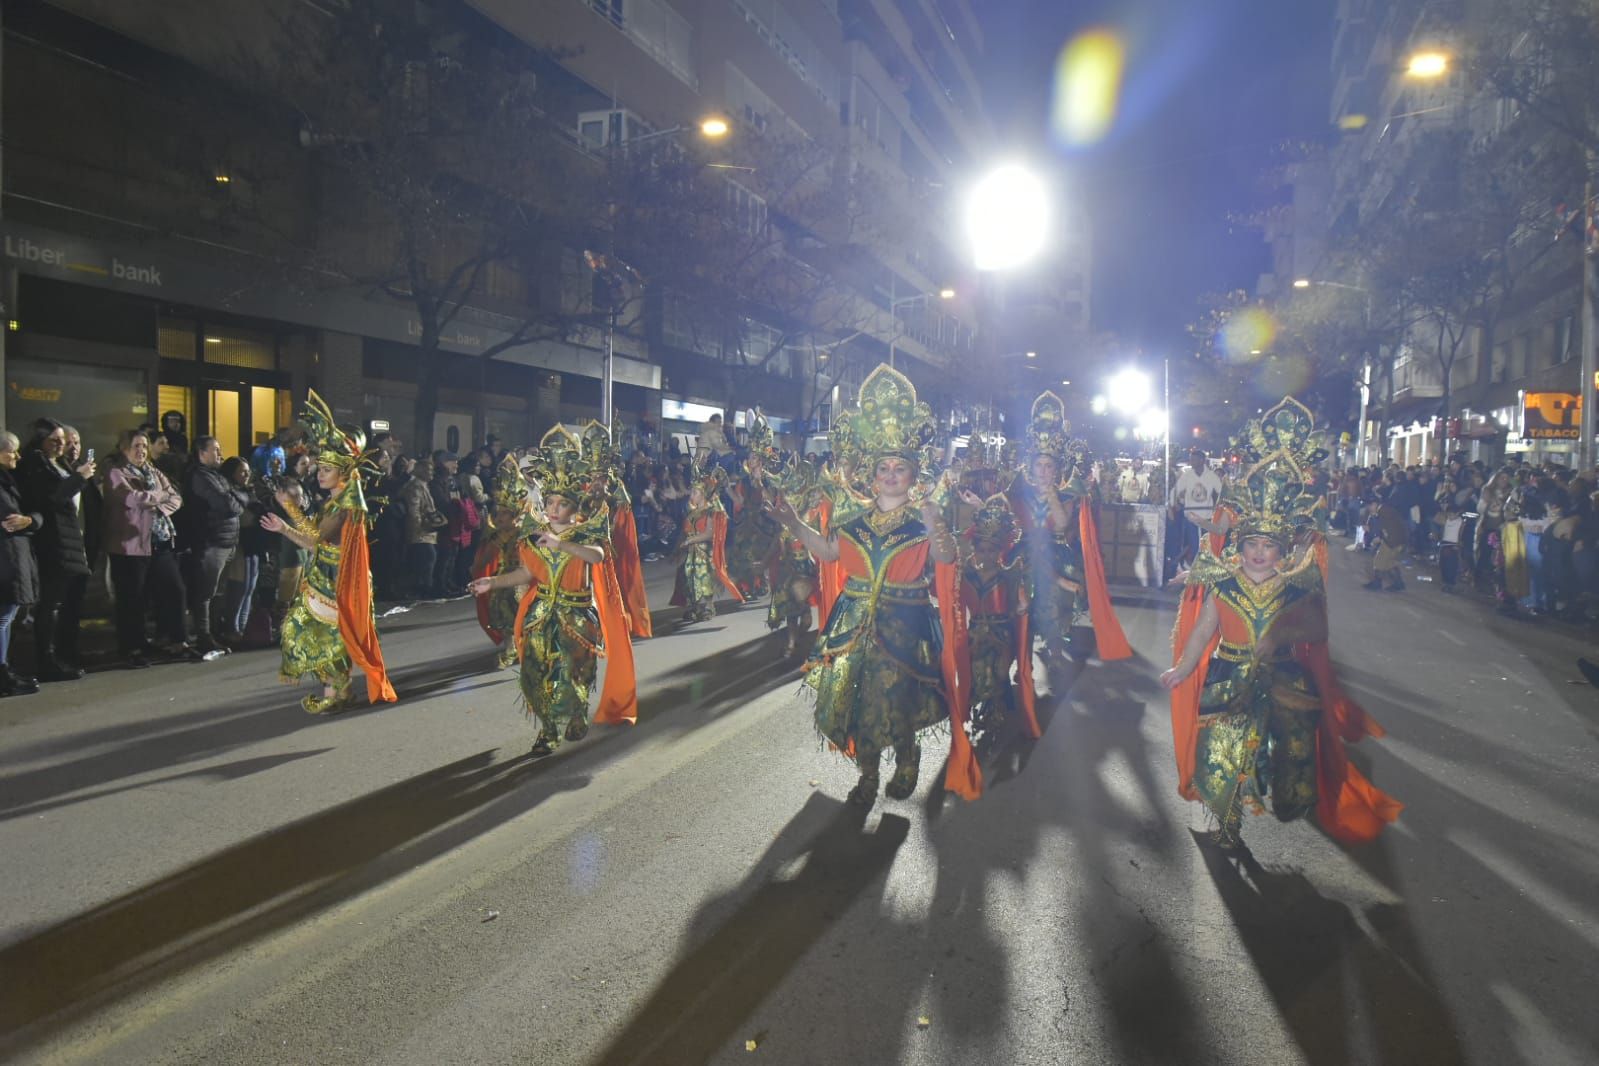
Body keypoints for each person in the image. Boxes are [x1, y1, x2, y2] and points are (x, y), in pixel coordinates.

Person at [1161, 397, 1401, 849]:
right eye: (1251, 544)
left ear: (1283, 551)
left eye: (1267, 547)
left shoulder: (1296, 585)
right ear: (1240, 545)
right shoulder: (1225, 583)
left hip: (1284, 679)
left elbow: (1317, 630)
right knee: (1223, 751)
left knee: (1284, 741)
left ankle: (1273, 786)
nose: (1258, 554)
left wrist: (1280, 635)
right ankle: (1227, 816)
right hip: (1228, 675)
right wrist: (1184, 668)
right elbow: (1202, 632)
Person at [766, 365, 978, 806]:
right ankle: (867, 777)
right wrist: (793, 523)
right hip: (854, 624)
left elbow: (945, 559)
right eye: (884, 466)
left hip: (906, 625)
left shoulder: (923, 520)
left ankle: (907, 755)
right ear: (873, 471)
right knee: (858, 701)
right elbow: (827, 552)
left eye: (900, 467)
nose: (891, 474)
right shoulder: (854, 519)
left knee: (898, 698)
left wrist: (938, 524)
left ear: (912, 473)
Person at [466, 426, 636, 756]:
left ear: (574, 506)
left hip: (578, 617)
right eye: (550, 501)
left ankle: (574, 713)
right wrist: (492, 582)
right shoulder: (534, 536)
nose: (553, 508)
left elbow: (597, 558)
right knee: (535, 673)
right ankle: (547, 730)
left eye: (561, 503)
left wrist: (563, 544)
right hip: (541, 615)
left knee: (575, 674)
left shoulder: (586, 532)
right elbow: (526, 574)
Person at [261, 390, 396, 714]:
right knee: (322, 633)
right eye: (318, 468)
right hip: (325, 575)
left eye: (325, 469)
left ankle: (337, 691)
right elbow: (316, 538)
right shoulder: (336, 501)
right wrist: (288, 519)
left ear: (342, 472)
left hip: (339, 579)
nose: (319, 474)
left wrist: (288, 516)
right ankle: (337, 691)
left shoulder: (345, 504)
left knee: (317, 633)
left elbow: (315, 538)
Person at [1008, 392, 1132, 667]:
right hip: (1023, 553)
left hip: (1055, 552)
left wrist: (1051, 493)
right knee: (1018, 604)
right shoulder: (1019, 491)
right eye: (1038, 465)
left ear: (1056, 468)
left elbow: (1062, 523)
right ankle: (1022, 656)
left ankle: (1054, 648)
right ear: (1030, 466)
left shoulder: (1066, 495)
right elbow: (1004, 514)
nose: (1042, 471)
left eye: (1048, 466)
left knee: (1054, 602)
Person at [103, 429, 193, 667]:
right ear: (124, 449)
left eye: (144, 446)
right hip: (130, 546)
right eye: (136, 446)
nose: (141, 451)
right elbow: (132, 500)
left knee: (175, 589)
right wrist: (157, 496)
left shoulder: (154, 472)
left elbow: (176, 498)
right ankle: (131, 646)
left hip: (160, 542)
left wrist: (157, 503)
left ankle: (178, 641)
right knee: (133, 599)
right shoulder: (116, 473)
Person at [957, 491, 1039, 748]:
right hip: (975, 633)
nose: (986, 555)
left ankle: (996, 708)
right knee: (975, 672)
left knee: (999, 672)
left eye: (992, 550)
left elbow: (1022, 603)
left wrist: (1023, 608)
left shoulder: (1009, 574)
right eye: (981, 550)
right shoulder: (965, 574)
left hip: (1002, 635)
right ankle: (980, 707)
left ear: (1001, 550)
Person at [20, 420, 94, 681]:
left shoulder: (59, 463)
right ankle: (45, 659)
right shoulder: (35, 464)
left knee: (61, 602)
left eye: (63, 440)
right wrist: (79, 478)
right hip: (51, 539)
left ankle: (61, 654)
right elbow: (52, 498)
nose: (61, 445)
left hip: (69, 537)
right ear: (40, 440)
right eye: (55, 440)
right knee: (49, 602)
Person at [180, 436, 248, 654]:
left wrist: (236, 499)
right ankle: (203, 635)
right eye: (216, 450)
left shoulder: (216, 476)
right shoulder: (199, 476)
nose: (220, 454)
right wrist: (237, 500)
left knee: (217, 590)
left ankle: (213, 632)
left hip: (227, 541)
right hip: (211, 541)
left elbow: (239, 497)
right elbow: (225, 503)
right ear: (201, 452)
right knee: (205, 592)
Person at [473, 456, 536, 669]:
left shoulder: (527, 532)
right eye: (497, 513)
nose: (499, 518)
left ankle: (526, 647)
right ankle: (510, 649)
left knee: (524, 612)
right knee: (501, 612)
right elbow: (485, 559)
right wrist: (477, 568)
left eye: (504, 514)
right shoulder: (500, 535)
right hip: (503, 577)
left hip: (524, 578)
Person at [670, 461, 742, 624]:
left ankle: (709, 607)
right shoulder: (692, 510)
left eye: (695, 492)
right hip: (691, 552)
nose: (692, 495)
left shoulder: (711, 511)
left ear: (703, 494)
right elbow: (687, 528)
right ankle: (694, 607)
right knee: (689, 579)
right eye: (693, 492)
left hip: (703, 551)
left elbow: (710, 533)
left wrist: (690, 540)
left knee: (704, 578)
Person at [0, 430, 42, 694]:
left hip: (14, 556)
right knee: (3, 617)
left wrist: (29, 521)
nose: (17, 455)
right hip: (6, 558)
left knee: (7, 615)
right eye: (11, 450)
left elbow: (32, 513)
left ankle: (4, 669)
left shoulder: (12, 479)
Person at [400, 458, 444, 600]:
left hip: (427, 531)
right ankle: (423, 589)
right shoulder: (415, 487)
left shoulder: (424, 485)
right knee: (427, 558)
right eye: (428, 470)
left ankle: (425, 588)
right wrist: (417, 529)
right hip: (420, 532)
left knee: (428, 559)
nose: (431, 473)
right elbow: (414, 511)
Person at [1173, 447, 1223, 565]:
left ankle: (1197, 572)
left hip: (1205, 518)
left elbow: (1220, 493)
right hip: (1190, 517)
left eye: (1194, 460)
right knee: (1193, 545)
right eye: (1191, 460)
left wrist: (1216, 508)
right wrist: (1179, 502)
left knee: (1202, 546)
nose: (1191, 462)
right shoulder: (1186, 476)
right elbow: (1178, 492)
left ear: (1201, 461)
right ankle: (1190, 570)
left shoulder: (1211, 476)